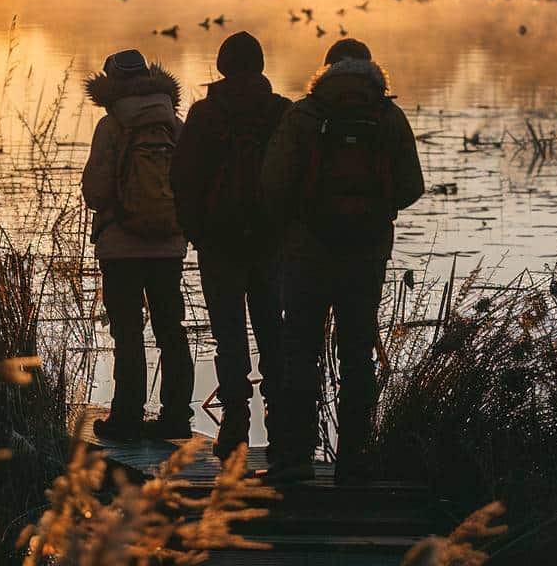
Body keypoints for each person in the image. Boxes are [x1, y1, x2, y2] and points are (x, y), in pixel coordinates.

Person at [261, 38, 424, 483]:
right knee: (356, 353)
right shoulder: (387, 117)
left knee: (300, 349)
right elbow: (412, 186)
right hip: (365, 254)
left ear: (327, 69)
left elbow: (274, 182)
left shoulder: (304, 114)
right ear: (372, 68)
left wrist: (299, 217)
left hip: (308, 252)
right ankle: (354, 459)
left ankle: (296, 458)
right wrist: (373, 207)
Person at [170, 32, 292, 460]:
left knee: (229, 338)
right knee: (273, 336)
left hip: (219, 245)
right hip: (269, 243)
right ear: (260, 66)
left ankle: (234, 429)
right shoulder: (281, 112)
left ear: (222, 66)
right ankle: (282, 434)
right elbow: (295, 178)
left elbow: (183, 179)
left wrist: (196, 232)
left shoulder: (206, 114)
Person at [82, 48, 194, 441]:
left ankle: (127, 418)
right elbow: (189, 186)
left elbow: (96, 192)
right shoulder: (175, 124)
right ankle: (178, 416)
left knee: (128, 332)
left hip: (121, 246)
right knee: (172, 330)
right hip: (168, 246)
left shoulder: (111, 126)